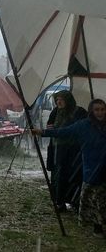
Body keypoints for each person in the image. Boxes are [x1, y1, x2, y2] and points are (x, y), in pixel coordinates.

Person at [32, 99, 106, 237]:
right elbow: (63, 132)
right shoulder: (83, 126)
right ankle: (98, 227)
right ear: (91, 111)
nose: (100, 112)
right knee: (95, 200)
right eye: (97, 109)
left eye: (102, 109)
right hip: (92, 168)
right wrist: (42, 132)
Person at [46, 90, 87, 212]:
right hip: (58, 148)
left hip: (74, 149)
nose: (58, 102)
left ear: (68, 100)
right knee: (59, 175)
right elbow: (50, 126)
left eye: (61, 99)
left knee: (75, 175)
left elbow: (83, 127)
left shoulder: (79, 111)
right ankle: (59, 202)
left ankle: (75, 202)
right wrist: (50, 128)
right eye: (57, 99)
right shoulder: (55, 111)